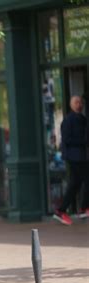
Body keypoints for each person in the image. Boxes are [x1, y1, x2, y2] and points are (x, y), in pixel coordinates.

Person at [53, 95, 89, 225]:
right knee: (86, 179)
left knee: (75, 184)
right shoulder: (69, 120)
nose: (79, 104)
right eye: (76, 102)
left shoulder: (83, 119)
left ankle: (61, 210)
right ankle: (84, 208)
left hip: (81, 156)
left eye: (81, 102)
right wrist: (83, 142)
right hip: (74, 157)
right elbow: (66, 140)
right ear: (71, 105)